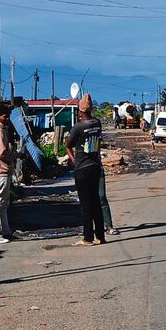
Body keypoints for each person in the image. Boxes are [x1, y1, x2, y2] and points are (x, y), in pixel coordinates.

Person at [66, 93, 106, 246]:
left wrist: (74, 160)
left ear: (80, 112)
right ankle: (100, 236)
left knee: (86, 204)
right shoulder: (97, 123)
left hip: (82, 168)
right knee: (95, 201)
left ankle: (87, 237)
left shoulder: (79, 127)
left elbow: (68, 145)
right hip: (95, 166)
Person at [0, 104, 22, 244]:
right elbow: (2, 153)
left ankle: (6, 231)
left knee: (3, 203)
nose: (7, 118)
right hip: (0, 171)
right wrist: (16, 155)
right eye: (5, 116)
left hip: (1, 171)